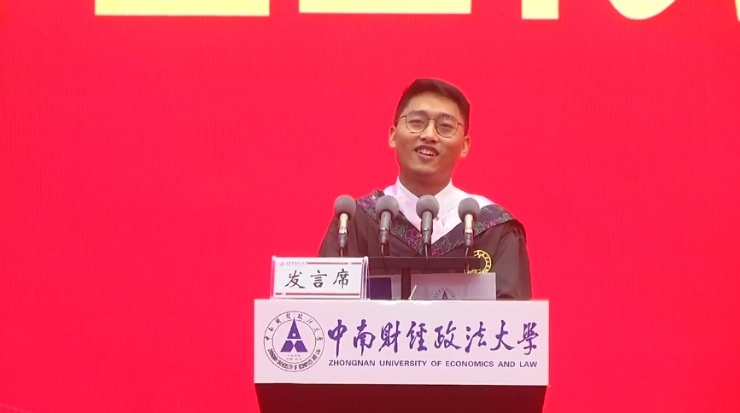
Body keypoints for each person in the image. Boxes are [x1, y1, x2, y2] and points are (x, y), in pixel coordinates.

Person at [317, 78, 532, 300]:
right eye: (416, 122)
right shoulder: (356, 221)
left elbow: (512, 315)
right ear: (393, 135)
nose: (429, 135)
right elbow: (327, 307)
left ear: (464, 146)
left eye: (445, 126)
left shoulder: (494, 229)